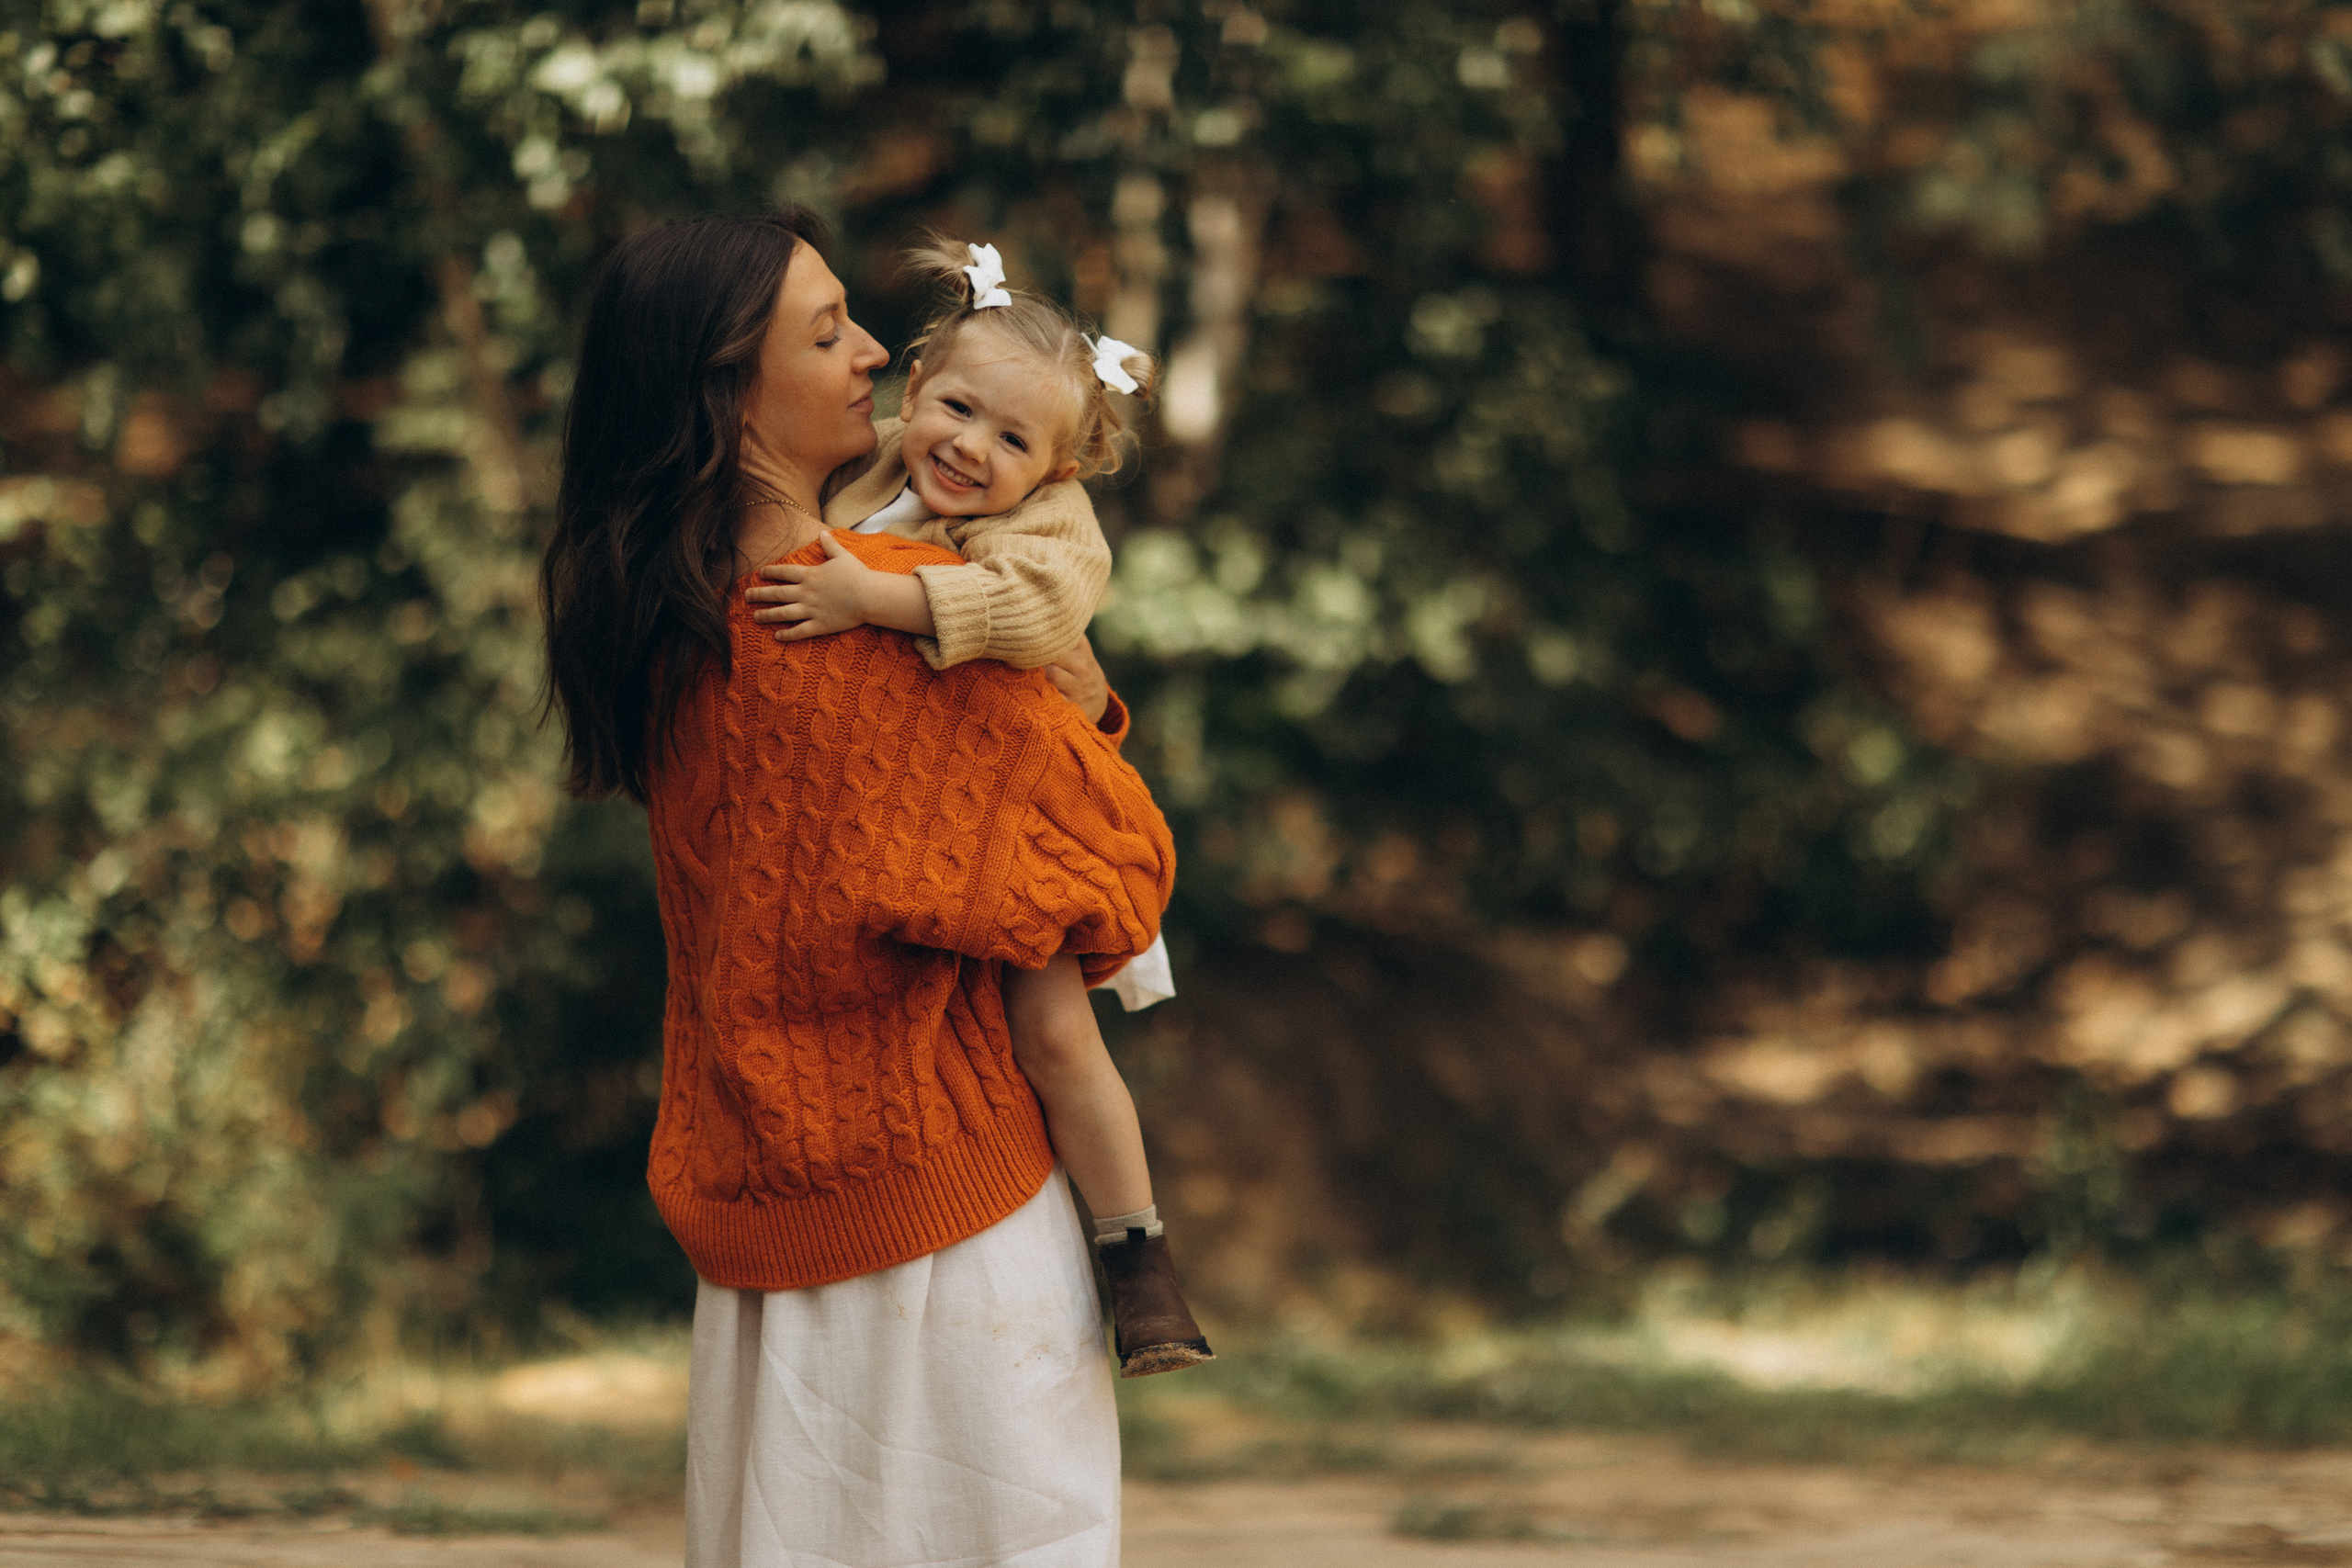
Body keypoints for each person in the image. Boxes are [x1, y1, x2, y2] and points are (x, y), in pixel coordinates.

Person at [537, 209, 1172, 1568]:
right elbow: (1114, 870)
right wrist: (1076, 719)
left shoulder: (674, 613)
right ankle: (1145, 1244)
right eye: (829, 331)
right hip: (947, 1229)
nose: (875, 349)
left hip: (766, 1220)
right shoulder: (881, 617)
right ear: (728, 382)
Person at [741, 235, 1208, 1376]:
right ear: (914, 388)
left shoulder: (1049, 529)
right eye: (956, 408)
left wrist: (870, 595)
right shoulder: (863, 476)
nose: (970, 448)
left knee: (1051, 1035)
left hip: (1031, 829)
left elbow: (1033, 616)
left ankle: (1136, 1256)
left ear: (1056, 467)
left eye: (1014, 442)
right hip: (926, 835)